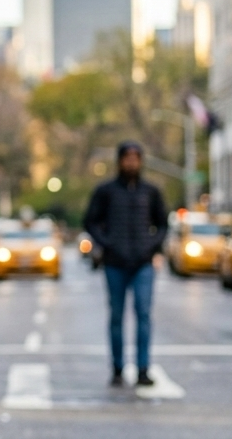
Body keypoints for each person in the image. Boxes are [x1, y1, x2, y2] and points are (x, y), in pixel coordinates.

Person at [84, 141, 167, 388]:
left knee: (143, 314)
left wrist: (152, 245)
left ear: (141, 161)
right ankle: (118, 368)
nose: (131, 163)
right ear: (119, 161)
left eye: (136, 158)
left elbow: (163, 224)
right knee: (117, 317)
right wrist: (107, 243)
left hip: (143, 263)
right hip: (114, 263)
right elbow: (90, 221)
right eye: (127, 158)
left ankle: (143, 368)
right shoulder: (106, 191)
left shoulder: (151, 192)